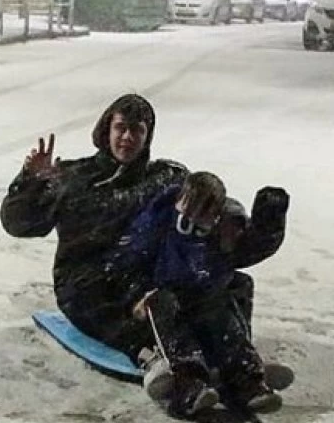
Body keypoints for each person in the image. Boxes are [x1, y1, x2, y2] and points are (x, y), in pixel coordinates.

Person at [0, 95, 293, 398]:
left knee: (225, 285)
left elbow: (202, 209)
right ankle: (183, 377)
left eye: (136, 130)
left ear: (147, 135)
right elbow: (18, 224)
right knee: (162, 307)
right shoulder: (74, 178)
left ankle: (241, 369)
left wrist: (222, 198)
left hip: (146, 275)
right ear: (106, 131)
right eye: (121, 128)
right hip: (87, 286)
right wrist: (30, 182)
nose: (127, 137)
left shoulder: (165, 178)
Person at [106, 172, 286, 417]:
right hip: (161, 307)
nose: (192, 218)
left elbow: (250, 250)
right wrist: (136, 296)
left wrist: (269, 219)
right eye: (189, 207)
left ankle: (247, 378)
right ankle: (188, 381)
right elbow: (128, 262)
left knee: (226, 301)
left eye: (204, 212)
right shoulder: (157, 223)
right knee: (164, 303)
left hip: (201, 301)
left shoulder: (220, 233)